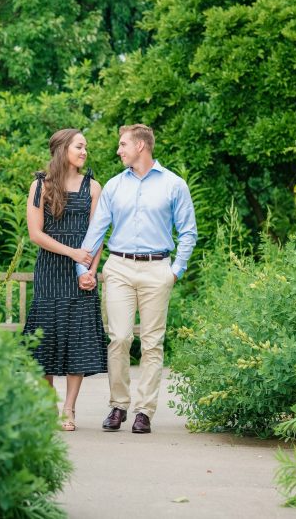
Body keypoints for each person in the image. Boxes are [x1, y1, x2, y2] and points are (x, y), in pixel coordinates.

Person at [75, 124, 197, 434]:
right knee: (119, 338)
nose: (119, 150)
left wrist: (175, 271)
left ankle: (145, 411)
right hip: (119, 267)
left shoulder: (174, 185)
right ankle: (118, 406)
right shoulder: (115, 186)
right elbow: (96, 230)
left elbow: (188, 232)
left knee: (153, 343)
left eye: (123, 144)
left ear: (141, 146)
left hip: (158, 269)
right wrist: (83, 269)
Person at [22, 128, 106, 432]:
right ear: (62, 150)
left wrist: (90, 272)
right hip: (51, 269)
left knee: (77, 338)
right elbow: (36, 234)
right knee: (47, 337)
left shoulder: (94, 187)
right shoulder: (40, 186)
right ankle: (48, 404)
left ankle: (69, 409)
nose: (84, 152)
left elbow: (98, 235)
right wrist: (72, 252)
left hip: (80, 272)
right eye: (79, 146)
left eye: (85, 147)